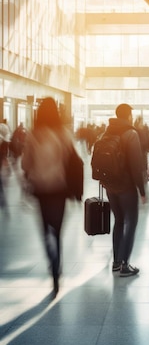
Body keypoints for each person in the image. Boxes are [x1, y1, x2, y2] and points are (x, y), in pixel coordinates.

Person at [21, 97, 80, 297]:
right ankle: (57, 268)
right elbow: (73, 160)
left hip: (40, 188)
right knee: (57, 229)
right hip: (60, 188)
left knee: (45, 228)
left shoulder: (33, 134)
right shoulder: (64, 134)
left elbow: (25, 164)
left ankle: (52, 264)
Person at [102, 103, 146, 276]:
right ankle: (125, 265)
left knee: (118, 221)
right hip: (126, 186)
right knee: (131, 222)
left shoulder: (106, 132)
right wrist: (142, 190)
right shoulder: (131, 133)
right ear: (128, 116)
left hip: (110, 186)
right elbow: (136, 165)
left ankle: (116, 262)